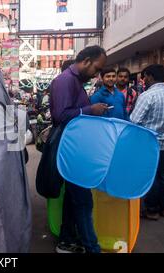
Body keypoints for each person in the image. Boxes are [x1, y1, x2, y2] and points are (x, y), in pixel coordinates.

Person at [49, 45, 108, 253]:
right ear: (86, 61)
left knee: (74, 201)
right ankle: (92, 248)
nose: (97, 74)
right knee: (83, 202)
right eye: (97, 69)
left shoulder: (75, 81)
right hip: (71, 152)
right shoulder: (66, 81)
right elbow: (60, 116)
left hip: (76, 150)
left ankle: (66, 241)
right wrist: (90, 110)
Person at [130, 64, 164, 220]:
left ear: (149, 76)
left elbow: (134, 121)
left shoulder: (147, 96)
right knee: (161, 175)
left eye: (144, 77)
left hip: (147, 143)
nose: (144, 81)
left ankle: (151, 209)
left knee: (151, 176)